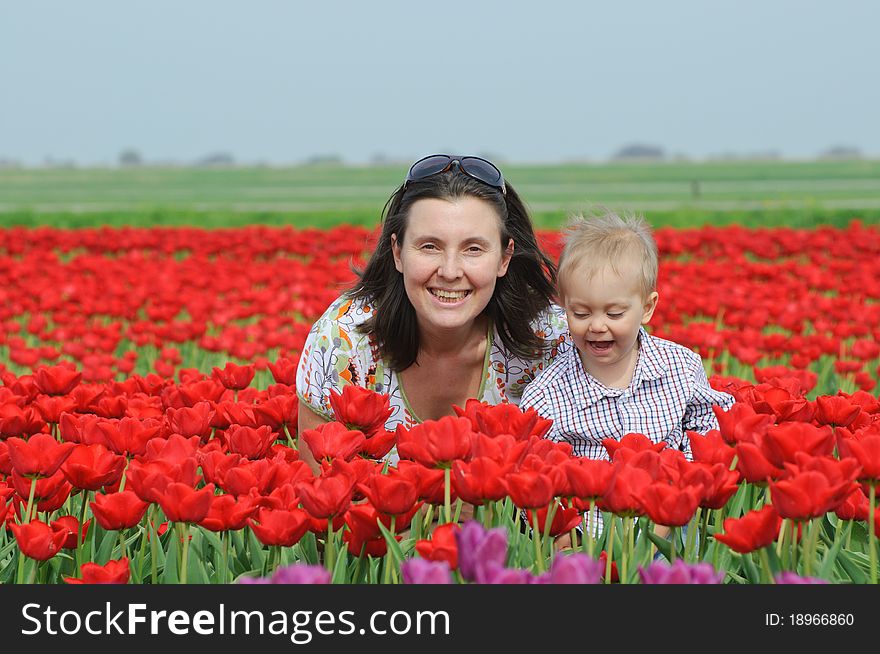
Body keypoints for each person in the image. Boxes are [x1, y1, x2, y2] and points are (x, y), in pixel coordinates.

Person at [295, 154, 571, 473]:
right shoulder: (344, 340)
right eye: (429, 246)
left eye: (473, 249)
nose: (450, 271)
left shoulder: (552, 342)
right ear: (397, 253)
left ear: (504, 258)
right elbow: (323, 490)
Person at [520, 209, 735, 543]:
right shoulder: (548, 393)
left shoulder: (680, 368)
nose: (597, 325)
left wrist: (677, 499)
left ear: (647, 308)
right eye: (580, 312)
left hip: (669, 534)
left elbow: (709, 432)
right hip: (588, 542)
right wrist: (563, 538)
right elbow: (534, 474)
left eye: (614, 312)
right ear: (563, 306)